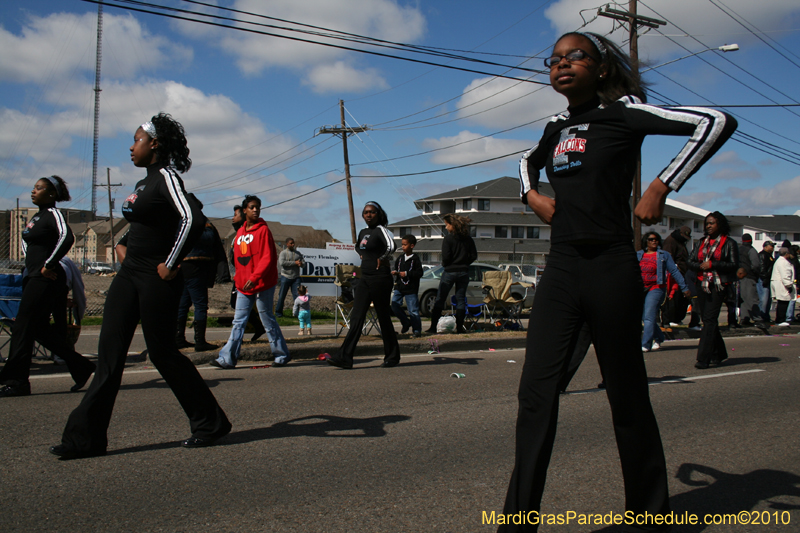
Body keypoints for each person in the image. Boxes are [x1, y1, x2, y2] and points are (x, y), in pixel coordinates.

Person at [502, 31, 736, 532]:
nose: (562, 66)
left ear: (602, 67)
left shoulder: (624, 112)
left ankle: (649, 516)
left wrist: (660, 185)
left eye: (576, 57)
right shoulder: (557, 124)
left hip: (610, 268)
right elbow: (525, 161)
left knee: (626, 398)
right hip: (562, 270)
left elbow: (715, 122)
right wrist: (531, 197)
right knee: (535, 397)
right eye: (555, 60)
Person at [52, 114, 232, 460]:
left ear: (155, 144)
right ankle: (84, 439)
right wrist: (124, 245)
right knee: (109, 356)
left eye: (136, 140)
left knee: (163, 354)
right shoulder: (141, 184)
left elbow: (191, 218)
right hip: (128, 276)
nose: (131, 147)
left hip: (155, 278)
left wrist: (172, 261)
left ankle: (210, 422)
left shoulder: (166, 178)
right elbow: (148, 222)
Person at [0, 176, 96, 397]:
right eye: (34, 188)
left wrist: (48, 265)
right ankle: (80, 366)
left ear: (52, 194)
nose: (33, 191)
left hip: (46, 280)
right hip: (33, 277)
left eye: (39, 188)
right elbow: (27, 243)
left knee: (22, 328)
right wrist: (30, 264)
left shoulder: (54, 214)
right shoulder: (36, 217)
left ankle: (17, 382)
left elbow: (67, 237)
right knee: (38, 329)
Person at [212, 195, 290, 368]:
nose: (256, 210)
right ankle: (227, 358)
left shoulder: (263, 230)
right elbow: (239, 259)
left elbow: (268, 258)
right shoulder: (239, 233)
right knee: (238, 322)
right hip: (243, 286)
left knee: (267, 319)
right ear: (244, 210)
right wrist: (239, 277)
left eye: (258, 207)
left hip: (263, 284)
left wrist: (254, 278)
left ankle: (281, 355)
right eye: (252, 207)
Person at [325, 202, 400, 369]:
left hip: (380, 279)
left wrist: (382, 257)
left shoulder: (381, 230)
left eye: (372, 212)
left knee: (383, 318)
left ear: (378, 214)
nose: (368, 215)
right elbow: (358, 246)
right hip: (364, 279)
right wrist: (363, 254)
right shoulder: (363, 232)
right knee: (356, 317)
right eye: (366, 212)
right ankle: (345, 357)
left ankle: (392, 356)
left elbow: (392, 246)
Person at [688, 212, 739, 369]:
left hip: (718, 285)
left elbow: (733, 265)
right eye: (707, 223)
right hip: (701, 283)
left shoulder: (729, 243)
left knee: (709, 320)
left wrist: (713, 264)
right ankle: (719, 354)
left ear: (720, 225)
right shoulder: (702, 242)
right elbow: (691, 261)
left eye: (712, 223)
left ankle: (703, 358)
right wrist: (701, 266)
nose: (708, 226)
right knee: (708, 320)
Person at [175, 196, 227, 352]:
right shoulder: (201, 222)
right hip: (196, 267)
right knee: (200, 305)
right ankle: (199, 341)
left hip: (182, 266)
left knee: (183, 304)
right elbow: (210, 239)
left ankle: (178, 338)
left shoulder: (180, 219)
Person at [425, 213, 478, 334]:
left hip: (449, 271)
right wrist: (465, 263)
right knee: (460, 299)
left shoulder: (448, 239)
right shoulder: (468, 239)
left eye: (446, 225)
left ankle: (433, 327)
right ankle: (459, 327)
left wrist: (446, 264)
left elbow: (446, 256)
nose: (446, 227)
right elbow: (474, 255)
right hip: (463, 272)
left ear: (452, 225)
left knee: (440, 298)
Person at [638, 232, 690, 352]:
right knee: (644, 316)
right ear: (646, 241)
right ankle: (660, 337)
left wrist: (684, 287)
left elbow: (674, 271)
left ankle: (645, 344)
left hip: (657, 287)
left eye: (656, 239)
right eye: (651, 239)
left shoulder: (663, 255)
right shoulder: (639, 255)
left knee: (649, 316)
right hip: (641, 288)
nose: (654, 241)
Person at [229, 204, 266, 342]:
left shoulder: (251, 234)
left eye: (235, 215)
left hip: (249, 277)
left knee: (265, 312)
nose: (232, 218)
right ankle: (235, 342)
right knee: (237, 307)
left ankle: (260, 328)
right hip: (239, 276)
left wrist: (253, 275)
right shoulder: (238, 234)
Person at [390, 234, 424, 337]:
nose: (403, 247)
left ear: (412, 246)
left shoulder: (415, 259)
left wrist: (407, 273)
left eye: (405, 245)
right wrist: (396, 273)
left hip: (411, 288)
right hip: (400, 286)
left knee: (413, 310)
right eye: (402, 245)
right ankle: (405, 322)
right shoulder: (400, 258)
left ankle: (417, 330)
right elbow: (397, 268)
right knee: (394, 305)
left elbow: (419, 273)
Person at [660, 225, 692, 326]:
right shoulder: (671, 241)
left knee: (681, 298)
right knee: (672, 297)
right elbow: (667, 258)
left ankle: (677, 318)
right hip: (673, 275)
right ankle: (671, 318)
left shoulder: (680, 242)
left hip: (682, 273)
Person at [737, 234, 764, 327]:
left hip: (739, 277)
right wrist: (755, 274)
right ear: (751, 240)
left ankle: (744, 318)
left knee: (743, 299)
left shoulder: (739, 249)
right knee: (752, 298)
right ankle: (757, 319)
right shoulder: (751, 250)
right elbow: (756, 265)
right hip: (749, 276)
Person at [275, 238, 305, 317]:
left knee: (297, 296)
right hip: (285, 276)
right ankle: (278, 313)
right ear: (287, 244)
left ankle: (298, 313)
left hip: (296, 277)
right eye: (291, 243)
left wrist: (301, 264)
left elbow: (304, 264)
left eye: (293, 243)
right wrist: (294, 263)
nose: (293, 245)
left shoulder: (298, 253)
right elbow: (282, 263)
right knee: (282, 295)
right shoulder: (283, 253)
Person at [771, 246, 796, 326]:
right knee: (783, 302)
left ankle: (780, 319)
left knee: (781, 302)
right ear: (786, 254)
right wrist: (789, 285)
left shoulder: (779, 261)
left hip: (778, 283)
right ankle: (780, 320)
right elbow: (785, 275)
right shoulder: (784, 263)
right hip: (782, 284)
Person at [758, 240, 776, 321]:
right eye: (771, 246)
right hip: (763, 279)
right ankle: (761, 316)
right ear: (765, 246)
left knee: (768, 300)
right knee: (763, 299)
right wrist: (764, 277)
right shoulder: (762, 255)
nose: (772, 247)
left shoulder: (770, 256)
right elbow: (762, 268)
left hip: (769, 279)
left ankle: (766, 316)